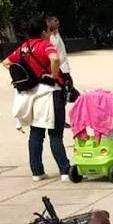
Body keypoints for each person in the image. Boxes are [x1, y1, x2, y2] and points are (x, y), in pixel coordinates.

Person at [2, 17, 71, 181]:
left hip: (33, 95)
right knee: (55, 134)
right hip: (50, 93)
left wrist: (27, 76)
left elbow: (6, 62)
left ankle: (37, 171)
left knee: (36, 134)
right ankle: (64, 170)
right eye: (47, 30)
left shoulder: (24, 47)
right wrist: (53, 75)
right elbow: (54, 58)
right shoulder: (45, 44)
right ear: (43, 32)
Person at [46, 14, 77, 99]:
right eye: (55, 21)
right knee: (67, 92)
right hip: (59, 68)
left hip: (64, 67)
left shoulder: (57, 34)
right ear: (49, 23)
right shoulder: (49, 37)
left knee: (69, 91)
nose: (58, 22)